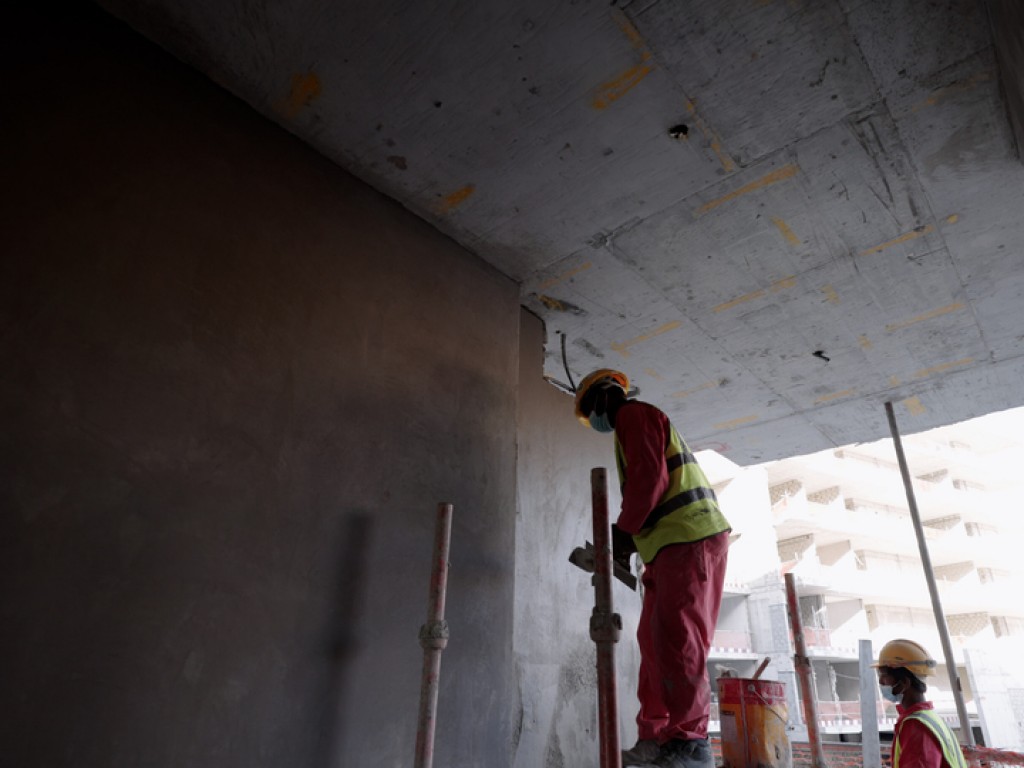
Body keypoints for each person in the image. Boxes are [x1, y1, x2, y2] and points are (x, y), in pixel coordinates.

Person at [574, 369, 731, 768]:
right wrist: (628, 541)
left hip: (689, 537)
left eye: (591, 410)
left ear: (603, 397)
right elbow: (649, 488)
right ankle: (656, 737)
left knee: (680, 641)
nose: (595, 420)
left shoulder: (634, 414)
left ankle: (690, 743)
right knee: (654, 642)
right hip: (667, 546)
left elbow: (650, 479)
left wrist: (622, 532)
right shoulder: (629, 426)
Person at [874, 639, 967, 768]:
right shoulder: (929, 718)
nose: (880, 682)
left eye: (884, 675)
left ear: (904, 683)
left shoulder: (916, 726)